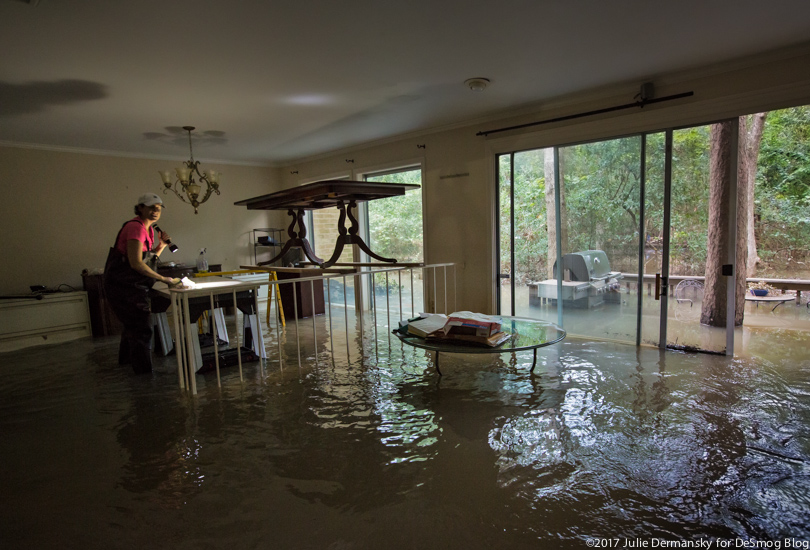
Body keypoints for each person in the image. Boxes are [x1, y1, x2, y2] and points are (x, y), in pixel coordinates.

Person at [103, 192, 182, 374]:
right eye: (151, 207)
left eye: (158, 208)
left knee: (132, 325)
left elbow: (146, 259)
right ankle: (143, 374)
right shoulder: (135, 227)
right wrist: (164, 279)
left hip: (131, 285)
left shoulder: (147, 230)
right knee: (141, 328)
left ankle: (126, 364)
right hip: (123, 286)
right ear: (140, 208)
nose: (155, 211)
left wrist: (161, 246)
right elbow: (136, 263)